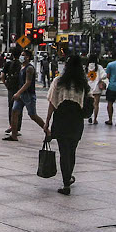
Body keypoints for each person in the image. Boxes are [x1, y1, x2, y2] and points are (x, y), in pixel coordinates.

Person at [45, 54, 89, 195]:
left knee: (64, 152)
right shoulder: (83, 84)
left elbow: (52, 103)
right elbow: (89, 103)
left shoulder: (58, 81)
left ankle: (66, 183)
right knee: (72, 150)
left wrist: (47, 122)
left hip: (61, 118)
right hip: (76, 120)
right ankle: (68, 177)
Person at [5, 49, 48, 141]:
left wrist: (18, 93)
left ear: (27, 57)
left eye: (23, 55)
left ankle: (48, 131)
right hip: (21, 95)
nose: (21, 57)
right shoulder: (22, 67)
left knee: (33, 115)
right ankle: (14, 135)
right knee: (14, 112)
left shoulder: (29, 68)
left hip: (28, 95)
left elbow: (28, 82)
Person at [2, 48, 24, 135]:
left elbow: (2, 76)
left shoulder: (8, 63)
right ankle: (17, 128)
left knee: (11, 107)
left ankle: (11, 125)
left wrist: (6, 85)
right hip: (20, 88)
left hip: (11, 88)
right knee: (19, 108)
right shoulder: (22, 65)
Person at [85, 53, 108, 124]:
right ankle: (95, 119)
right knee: (96, 104)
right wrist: (99, 79)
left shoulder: (86, 67)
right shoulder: (99, 67)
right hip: (97, 88)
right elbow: (104, 75)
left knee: (88, 103)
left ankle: (89, 116)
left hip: (88, 88)